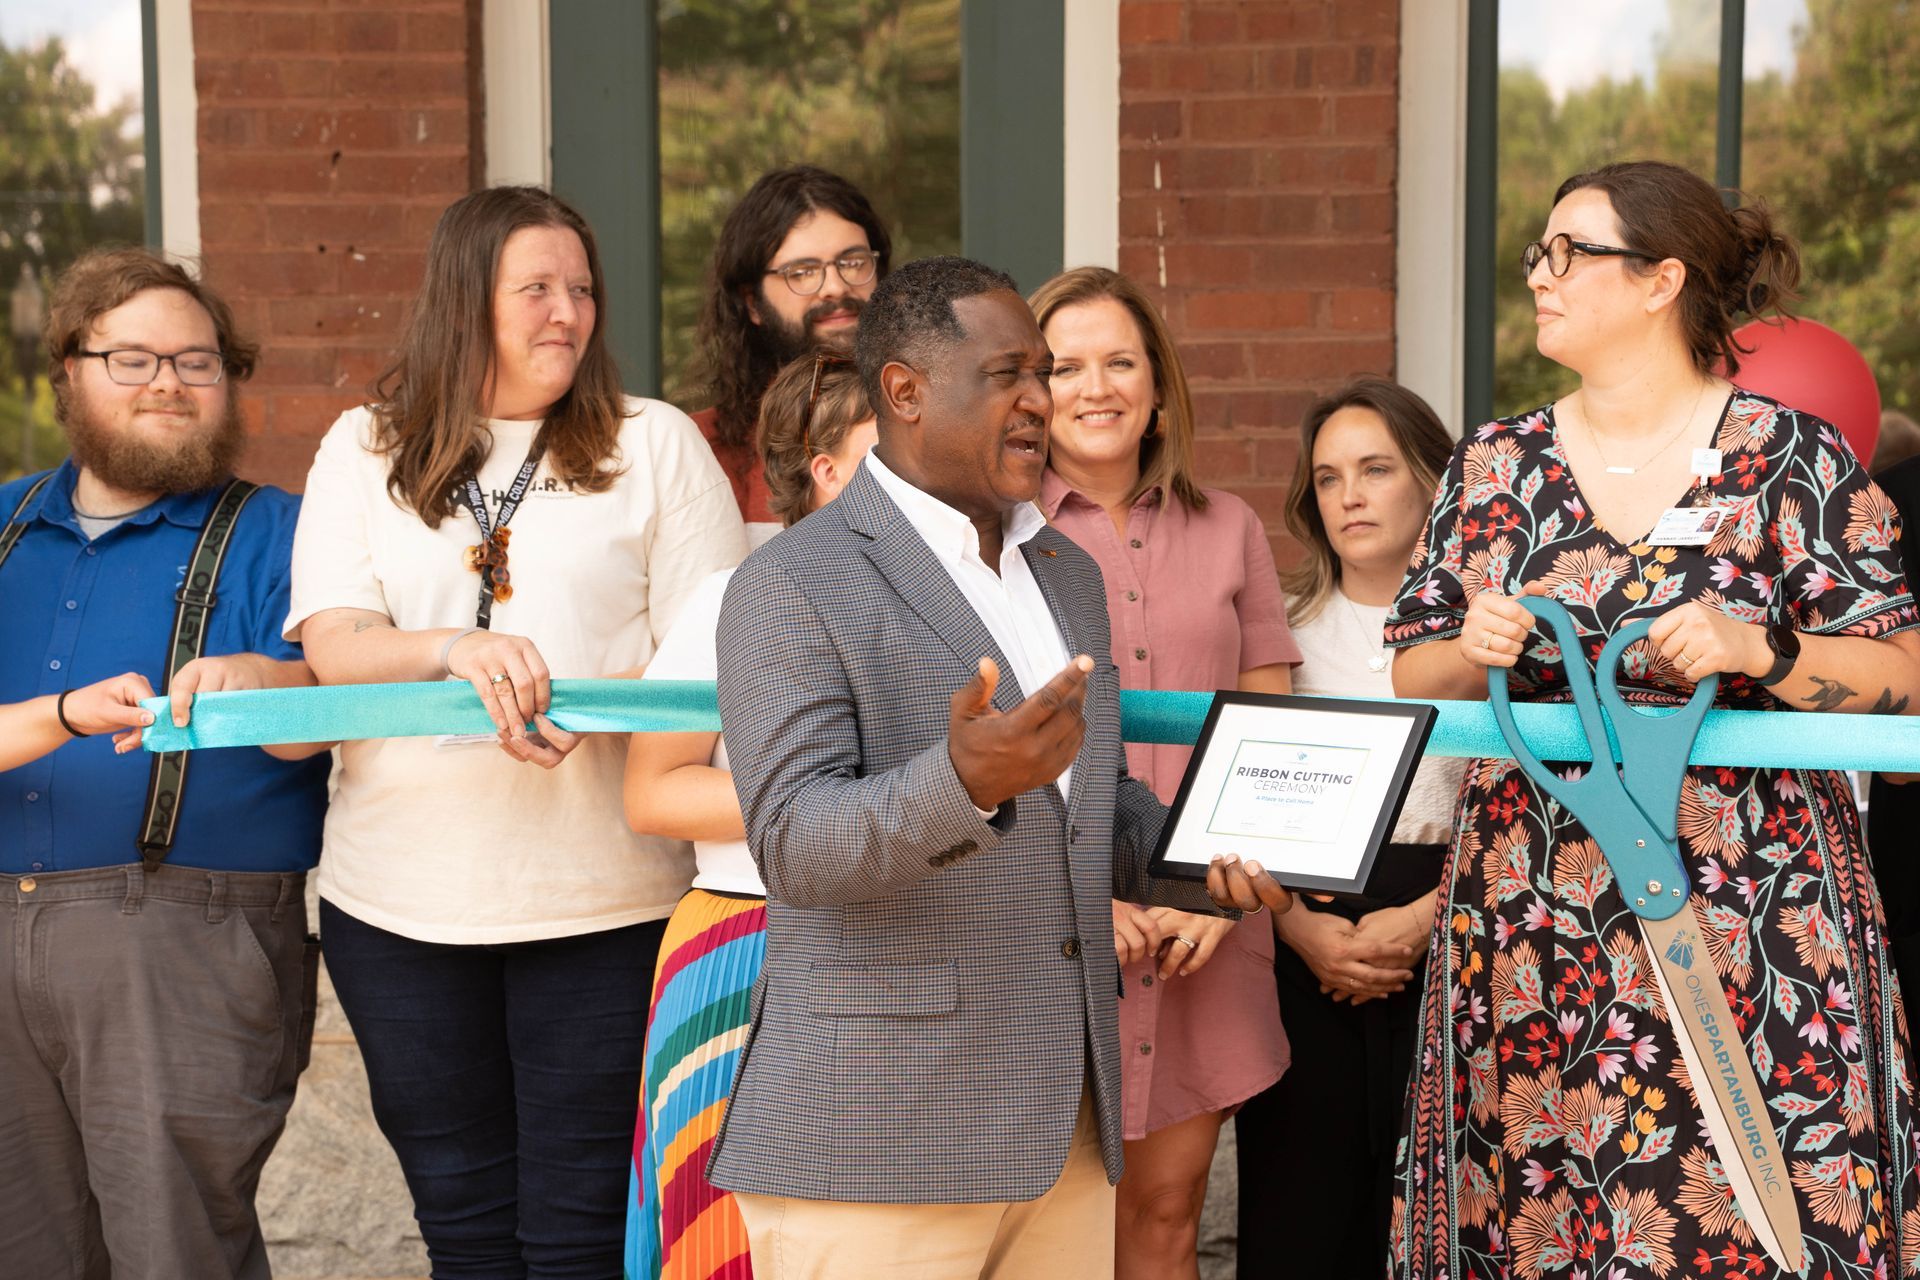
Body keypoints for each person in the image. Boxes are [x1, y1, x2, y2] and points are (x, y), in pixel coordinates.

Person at [1377, 160, 1920, 1279]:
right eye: (1538, 252)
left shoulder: (1792, 458)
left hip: (1752, 907)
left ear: (1663, 279)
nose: (1540, 274)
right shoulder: (1493, 462)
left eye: (1568, 252)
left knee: (1755, 1208)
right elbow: (1412, 668)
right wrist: (1472, 645)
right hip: (1535, 906)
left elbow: (1903, 676)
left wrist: (1759, 649)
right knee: (1548, 1205)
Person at [708, 256, 1253, 1279]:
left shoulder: (1065, 573)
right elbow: (794, 844)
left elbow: (1092, 808)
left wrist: (1209, 859)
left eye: (1041, 373)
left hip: (1062, 1131)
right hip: (880, 1136)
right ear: (905, 390)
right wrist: (963, 784)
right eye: (1010, 375)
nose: (1043, 399)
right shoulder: (790, 581)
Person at [286, 186, 748, 1277]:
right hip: (397, 905)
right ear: (464, 299)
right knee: (462, 1227)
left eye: (582, 288)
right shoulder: (363, 446)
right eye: (535, 288)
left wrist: (578, 705)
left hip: (609, 902)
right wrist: (454, 648)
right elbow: (336, 643)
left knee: (580, 1232)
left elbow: (719, 659)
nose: (568, 312)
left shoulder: (654, 443)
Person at [0, 246, 333, 1279]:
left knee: (175, 1251)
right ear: (69, 370)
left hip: (184, 936)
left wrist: (256, 678)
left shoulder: (286, 531)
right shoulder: (4, 523)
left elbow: (330, 711)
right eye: (133, 359)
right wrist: (57, 714)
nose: (169, 384)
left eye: (197, 362)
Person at [1027, 265, 1296, 1280]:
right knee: (1049, 1236)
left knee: (1168, 1213)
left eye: (1120, 362)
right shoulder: (996, 538)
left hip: (1208, 927)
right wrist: (1078, 893)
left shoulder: (1231, 526)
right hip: (1053, 926)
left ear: (1157, 385)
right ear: (1029, 389)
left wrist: (1220, 898)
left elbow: (1273, 734)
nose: (1095, 388)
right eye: (1065, 367)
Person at [623, 352, 878, 1280]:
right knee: (726, 1241)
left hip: (911, 947)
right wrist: (836, 802)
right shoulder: (734, 599)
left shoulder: (974, 602)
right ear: (827, 470)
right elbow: (654, 791)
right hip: (745, 942)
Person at [1232, 377, 1466, 1279]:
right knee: (1302, 1221)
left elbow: (1531, 804)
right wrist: (1300, 930)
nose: (1349, 497)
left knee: (1443, 1221)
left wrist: (1427, 919)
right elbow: (1245, 808)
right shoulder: (1279, 633)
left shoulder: (1489, 635)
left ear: (1435, 481)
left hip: (1458, 923)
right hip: (1304, 939)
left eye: (1376, 469)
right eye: (1328, 478)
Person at [688, 165, 891, 540]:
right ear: (752, 302)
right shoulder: (698, 448)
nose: (835, 287)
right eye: (802, 271)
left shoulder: (932, 424)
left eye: (853, 262)